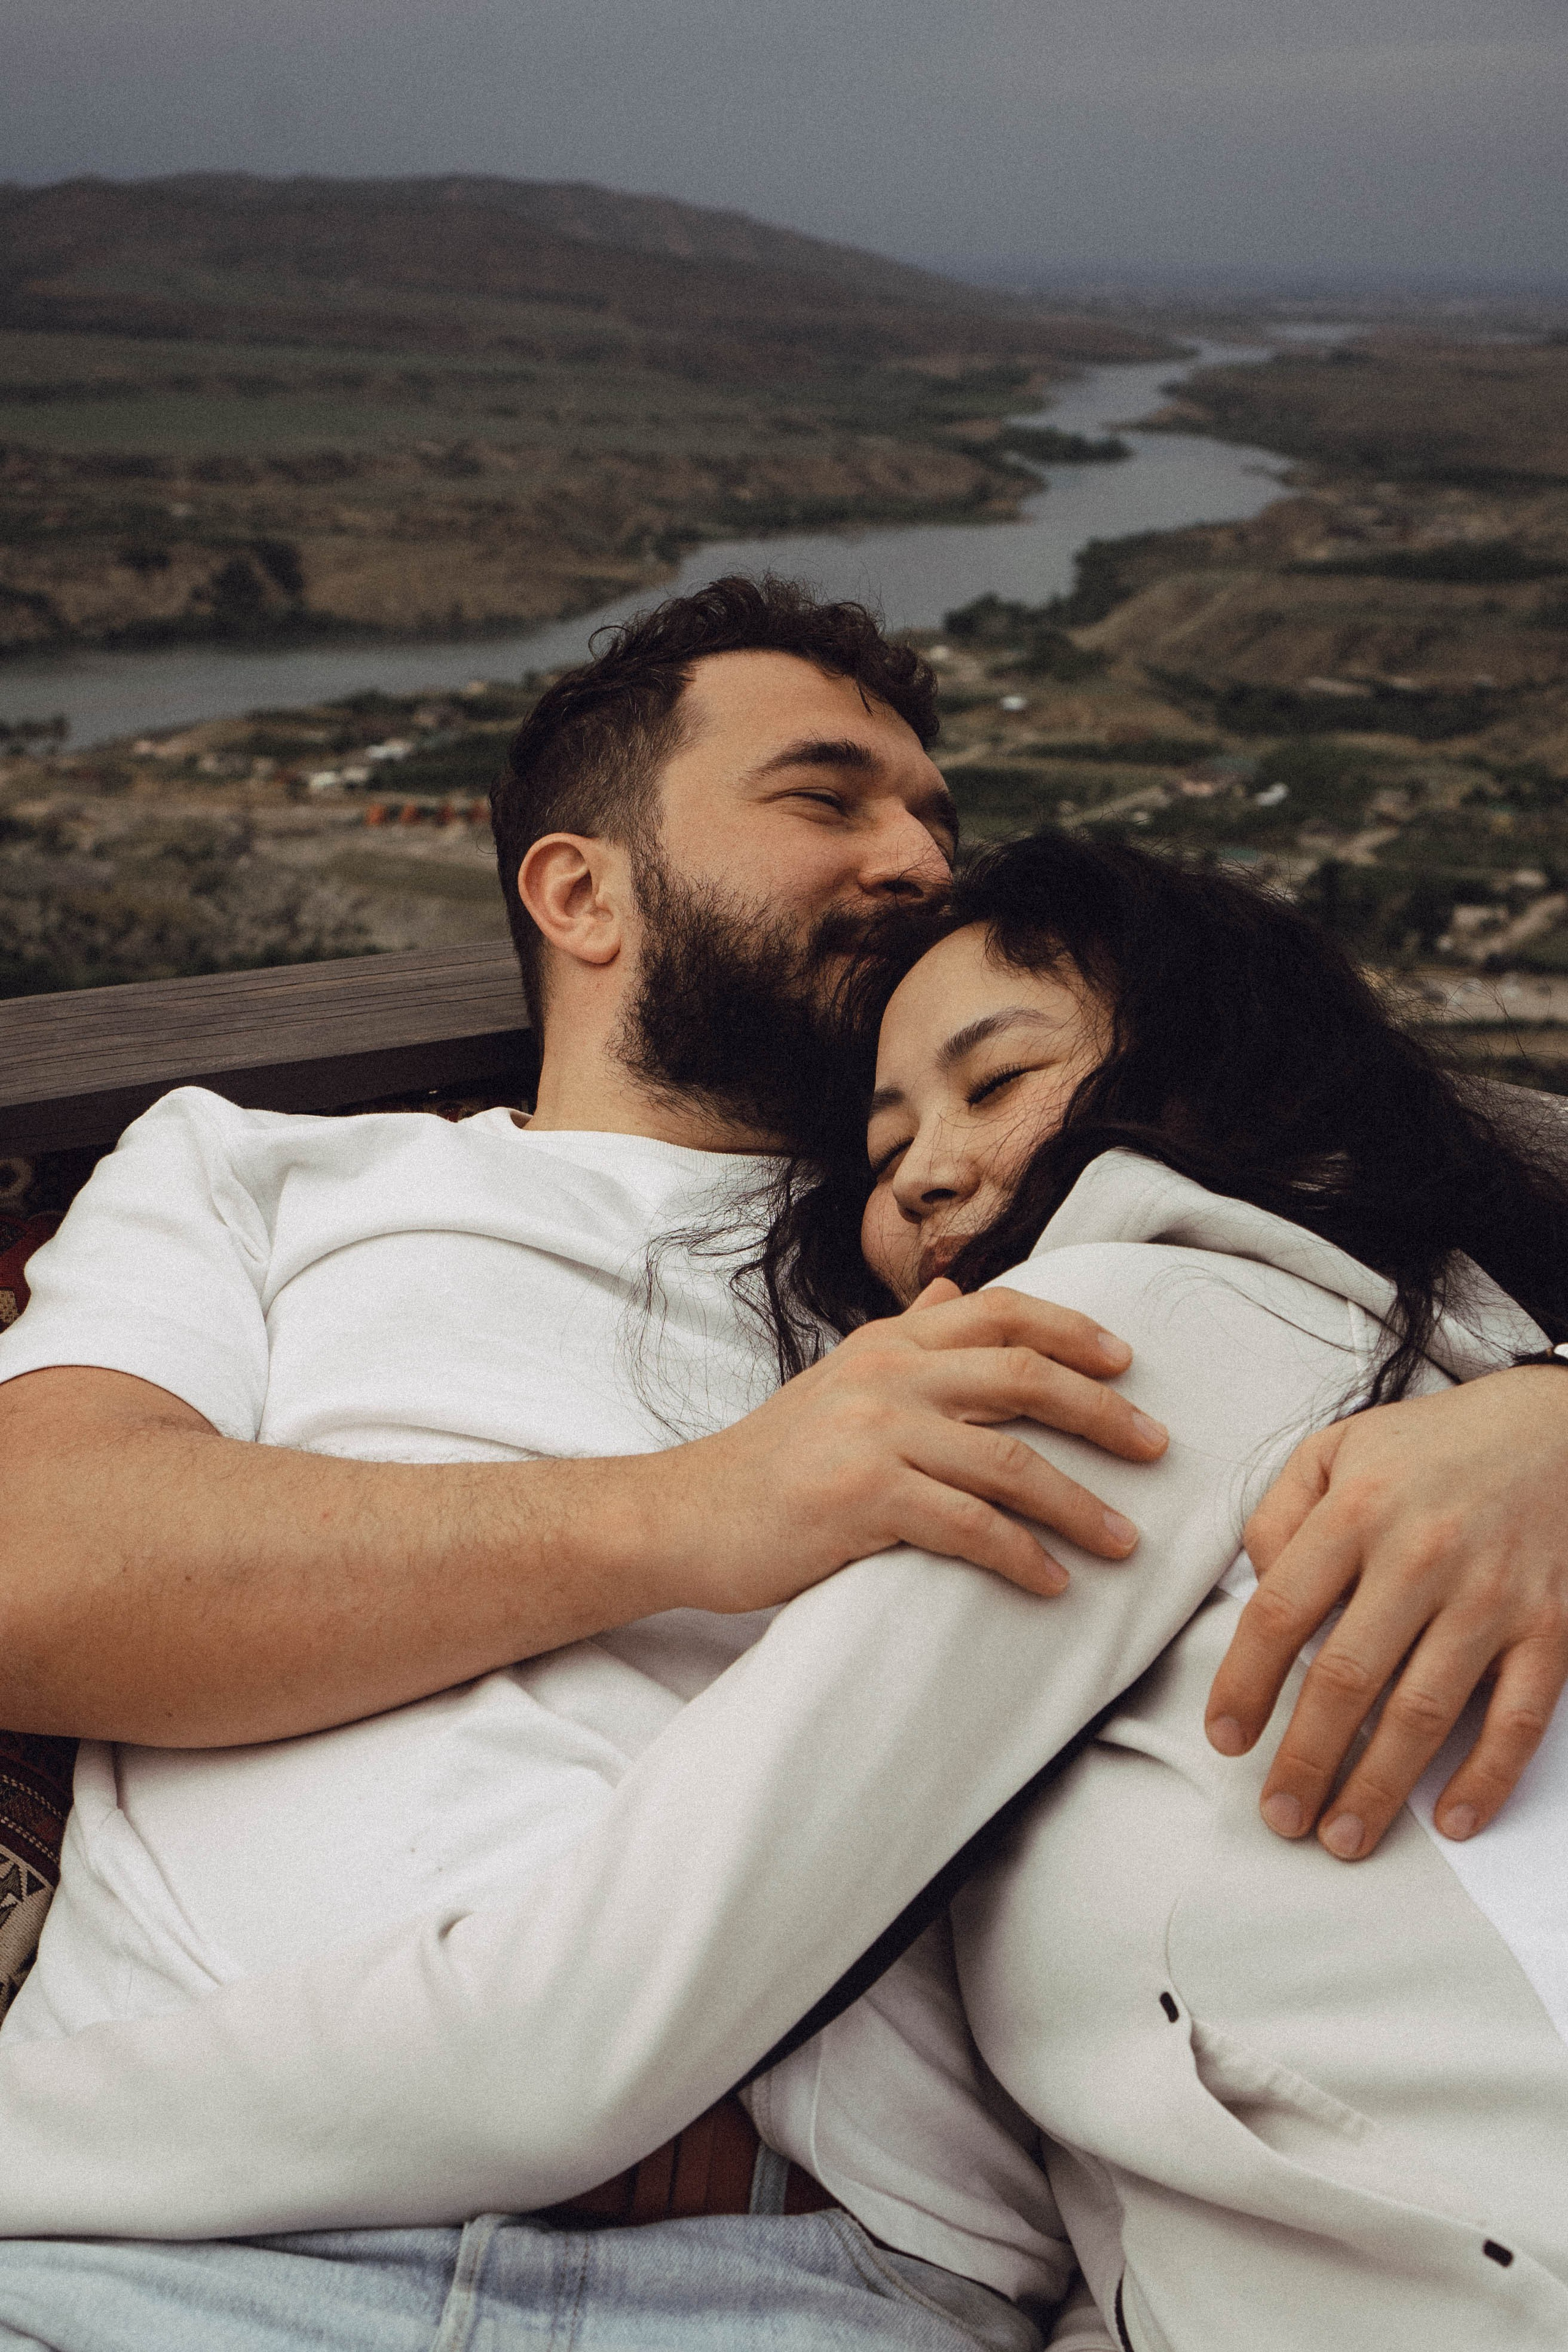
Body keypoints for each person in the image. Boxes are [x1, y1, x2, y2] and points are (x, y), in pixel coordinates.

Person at [0, 582, 1564, 2351]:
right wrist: (691, 1513)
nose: (915, 861)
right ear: (580, 892)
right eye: (826, 799)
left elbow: (1351, 1258)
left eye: (936, 819)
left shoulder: (1008, 1257)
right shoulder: (264, 1175)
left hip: (835, 2275)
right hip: (163, 2233)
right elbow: (35, 1575)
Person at [785, 828, 1568, 2345]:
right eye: (882, 1156)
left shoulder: (1109, 1334)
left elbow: (620, 1995)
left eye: (995, 1083)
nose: (927, 1169)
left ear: (1209, 1070)